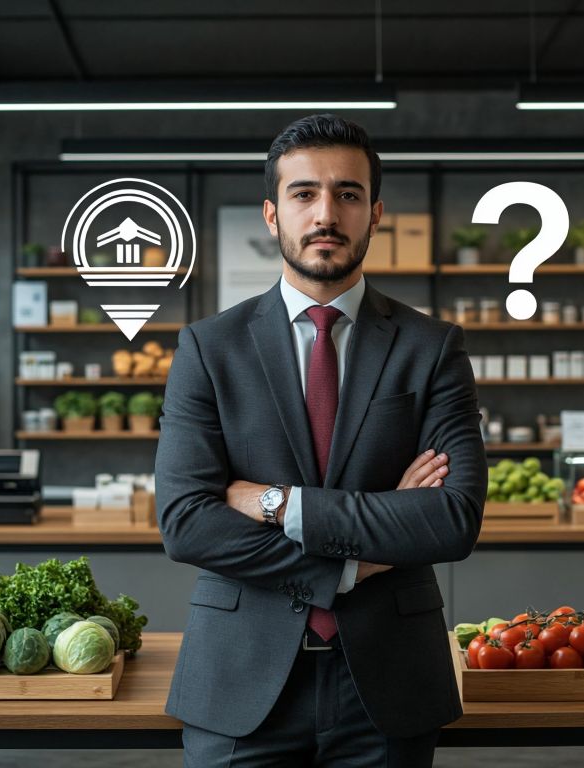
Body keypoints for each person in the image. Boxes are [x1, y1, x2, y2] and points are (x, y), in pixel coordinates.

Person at [155, 113, 487, 766]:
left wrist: (281, 504)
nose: (326, 214)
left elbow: (452, 519)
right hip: (240, 681)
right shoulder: (208, 348)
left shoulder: (433, 348)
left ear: (376, 213)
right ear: (273, 215)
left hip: (388, 687)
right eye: (304, 194)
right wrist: (352, 562)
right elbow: (187, 523)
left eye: (348, 194)